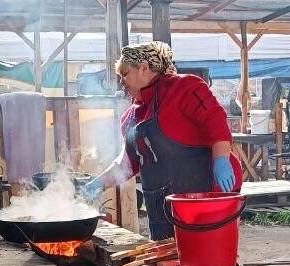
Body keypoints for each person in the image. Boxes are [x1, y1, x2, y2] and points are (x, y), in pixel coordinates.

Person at [81, 42, 242, 239]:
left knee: (206, 259)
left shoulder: (184, 87)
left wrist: (221, 159)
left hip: (201, 198)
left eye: (125, 73)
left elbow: (215, 120)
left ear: (144, 68)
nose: (122, 81)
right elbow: (127, 163)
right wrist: (97, 184)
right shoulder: (131, 116)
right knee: (165, 265)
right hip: (160, 206)